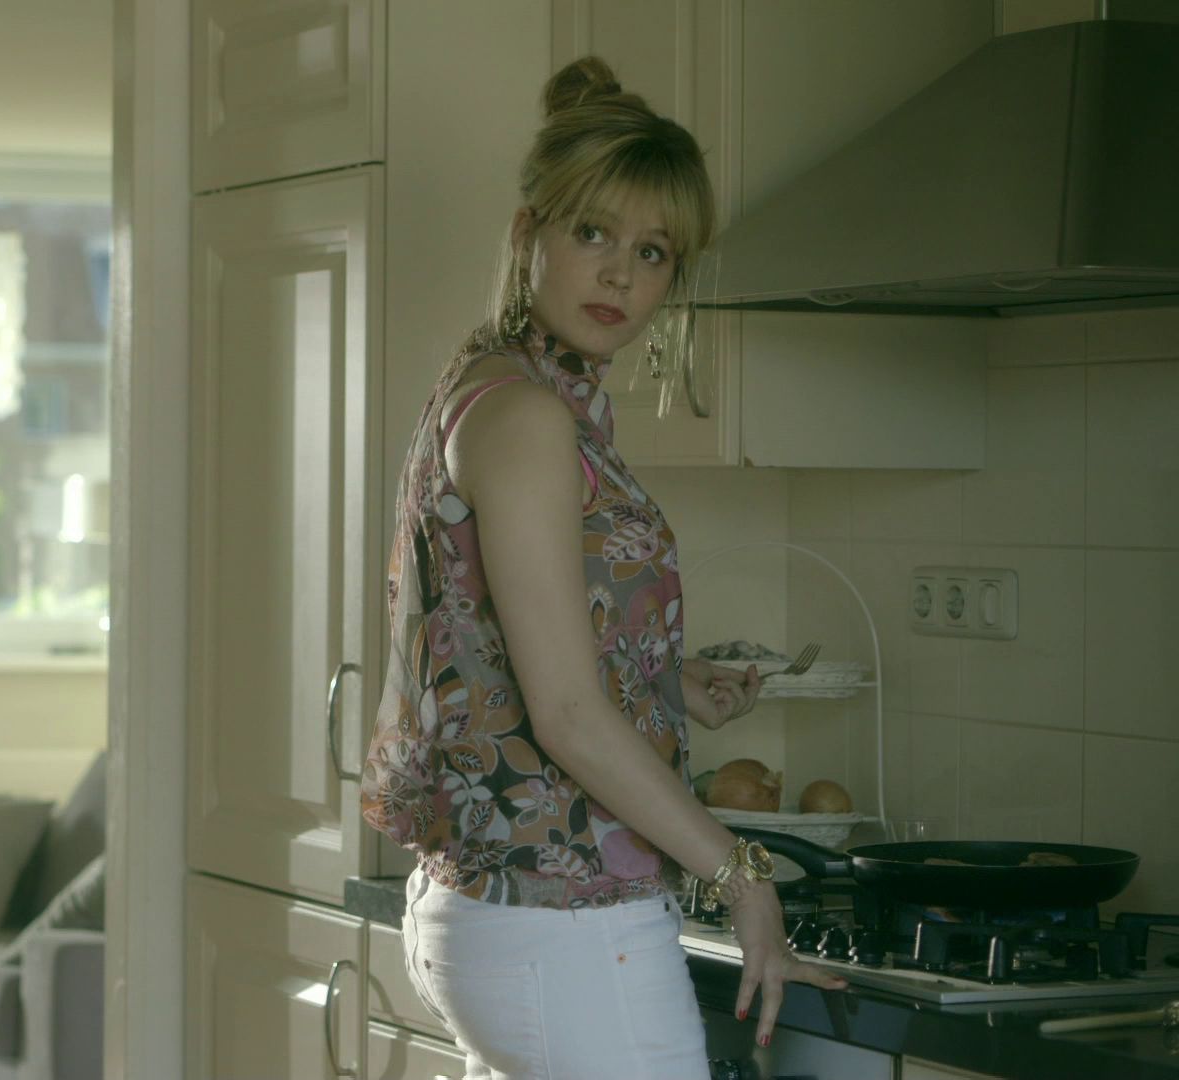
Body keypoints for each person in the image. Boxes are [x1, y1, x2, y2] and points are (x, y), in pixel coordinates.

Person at [358, 55, 848, 1079]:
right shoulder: (530, 417)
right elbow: (569, 718)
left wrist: (666, 679)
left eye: (653, 251)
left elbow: (498, 640)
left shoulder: (498, 385)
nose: (622, 275)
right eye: (593, 233)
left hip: (505, 913)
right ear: (528, 233)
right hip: (563, 925)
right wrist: (744, 874)